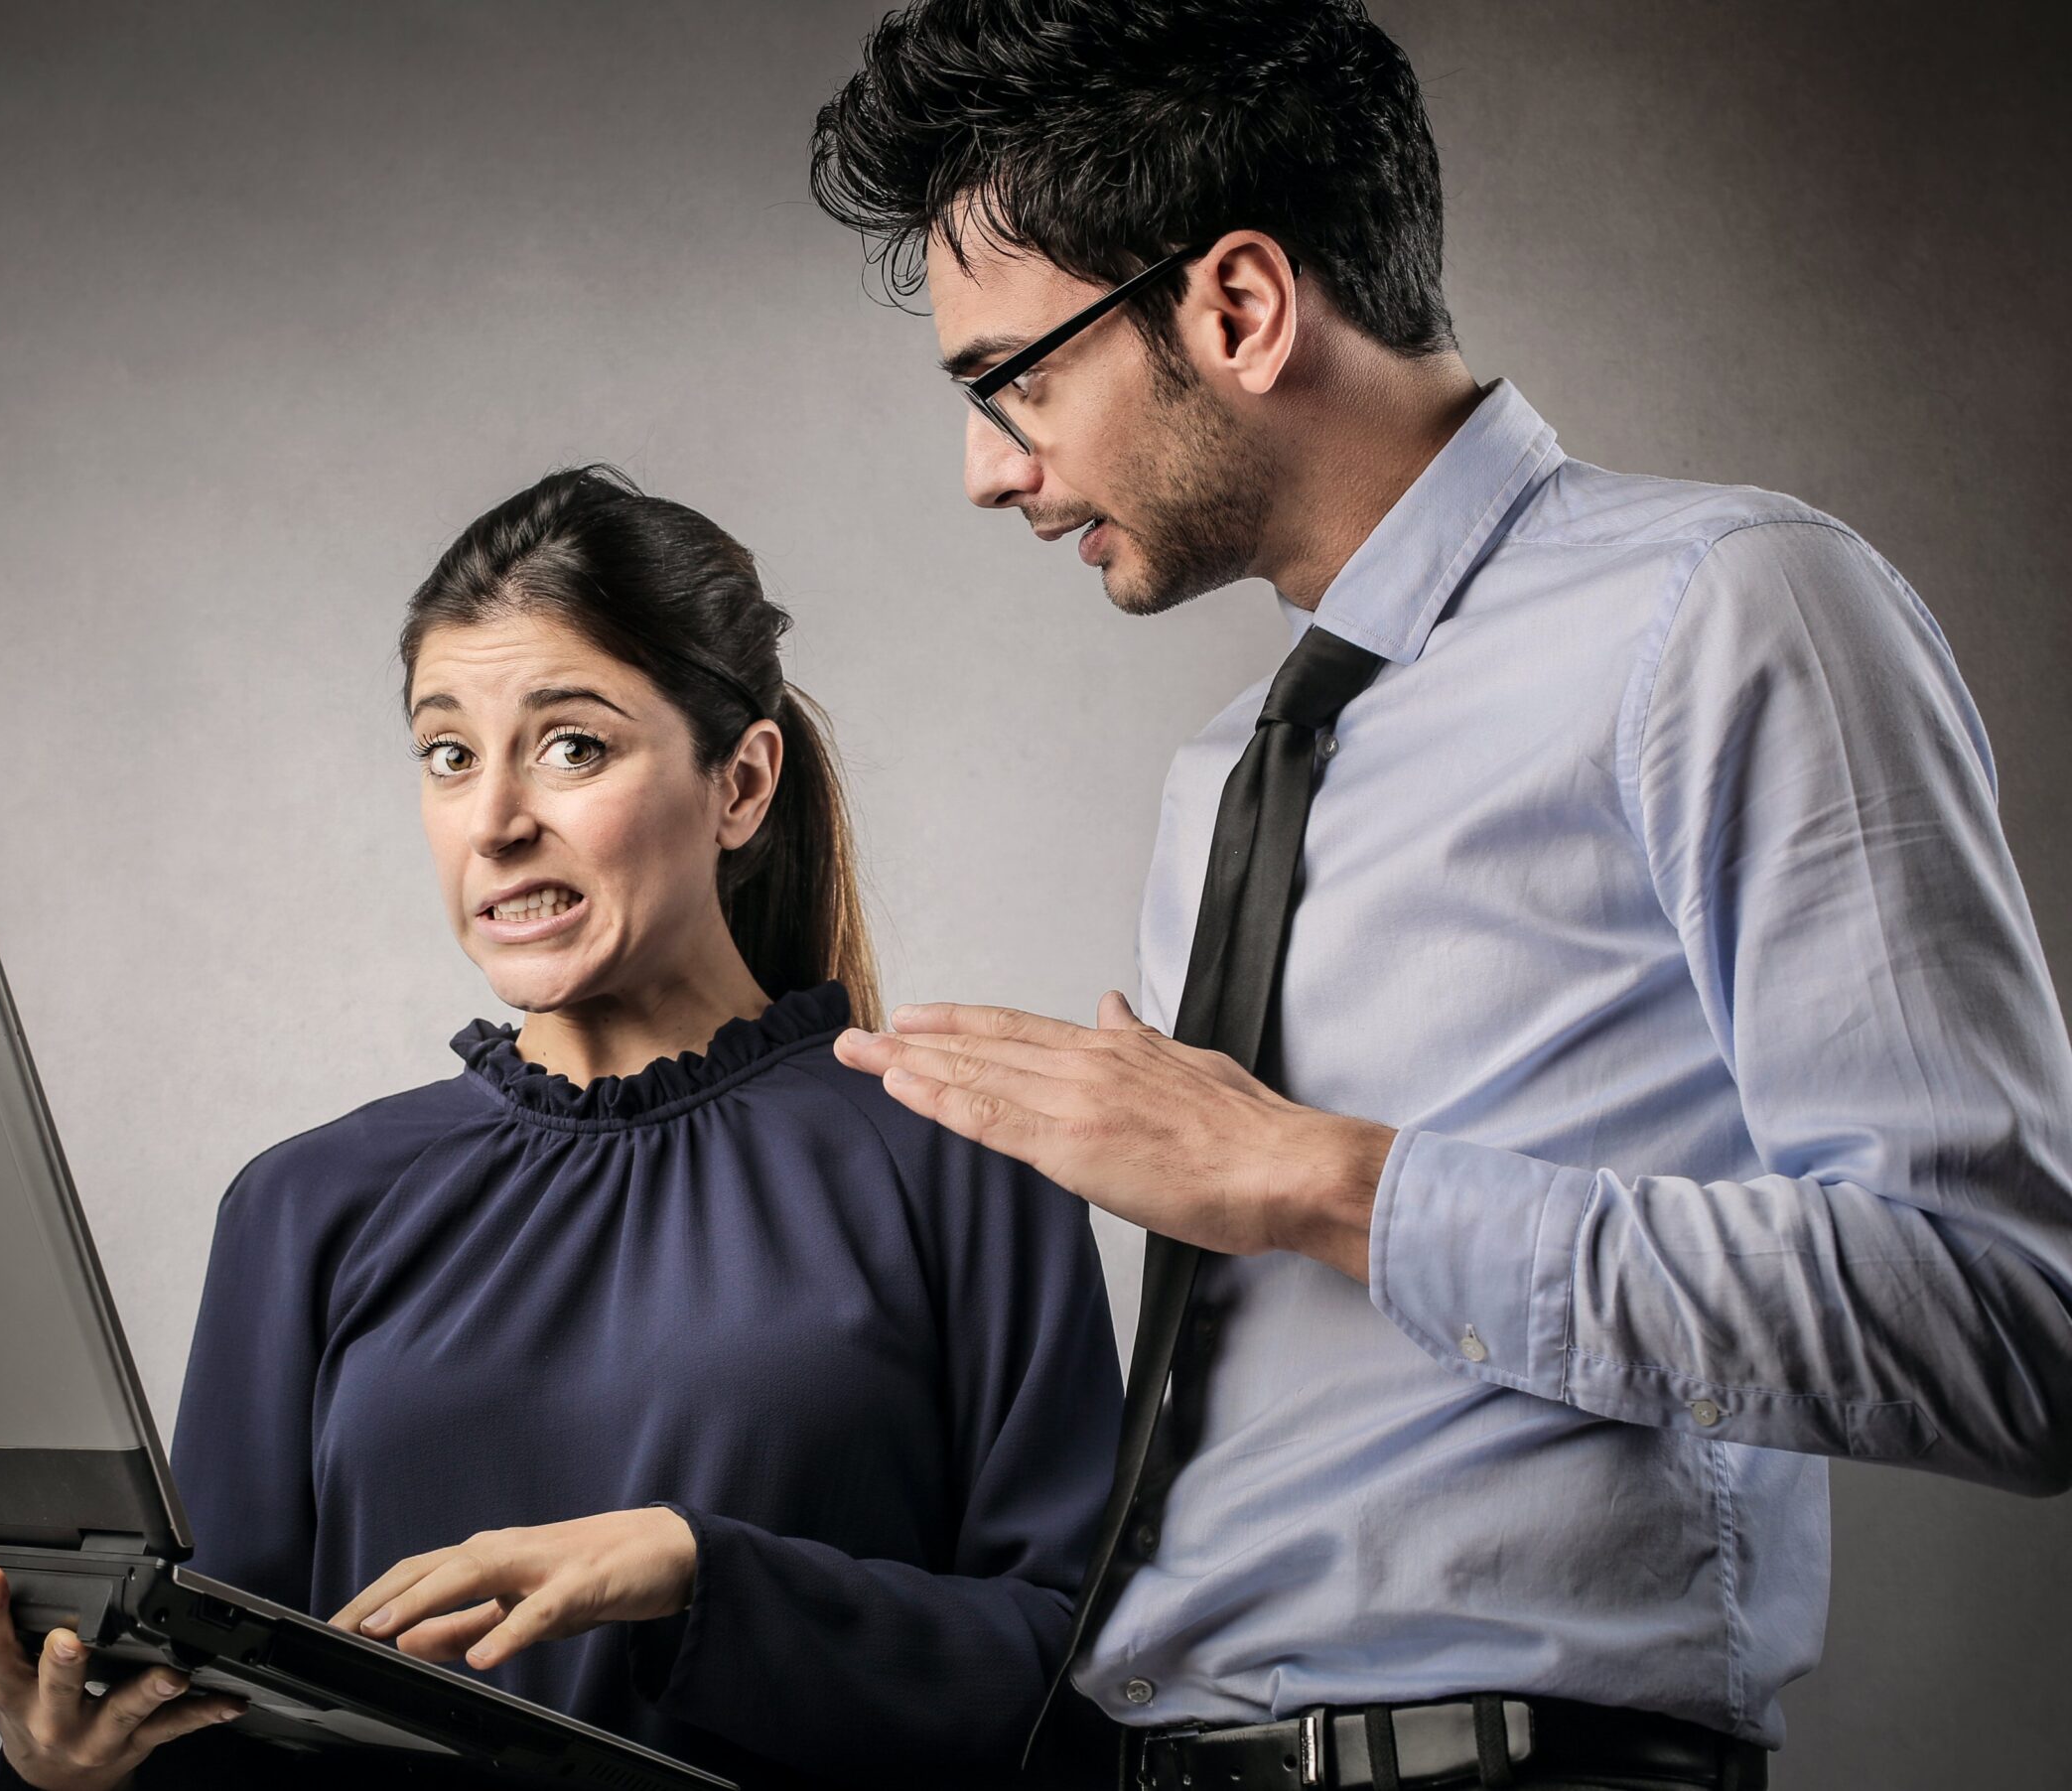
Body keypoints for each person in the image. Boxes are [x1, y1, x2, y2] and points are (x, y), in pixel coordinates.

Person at [809, 3, 2072, 1788]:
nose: (990, 466)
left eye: (1015, 378)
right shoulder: (1227, 774)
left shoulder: (1729, 614)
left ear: (1235, 309)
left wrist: (1319, 1178)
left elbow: (2008, 1322)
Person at [0, 466, 1123, 1790]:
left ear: (743, 786)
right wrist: (76, 1764)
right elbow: (214, 1716)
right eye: (447, 754)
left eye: (571, 746)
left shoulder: (963, 1159)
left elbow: (1076, 1683)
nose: (495, 822)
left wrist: (698, 1574)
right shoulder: (305, 1205)